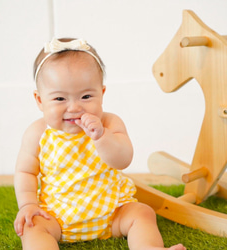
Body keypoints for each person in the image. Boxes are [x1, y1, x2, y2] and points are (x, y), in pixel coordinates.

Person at [14, 37, 186, 250]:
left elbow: (123, 160)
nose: (74, 107)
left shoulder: (109, 122)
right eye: (60, 99)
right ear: (39, 100)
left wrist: (101, 136)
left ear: (102, 94)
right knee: (31, 227)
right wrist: (29, 205)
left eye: (86, 96)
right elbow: (26, 173)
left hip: (113, 212)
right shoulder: (38, 133)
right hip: (58, 216)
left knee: (142, 213)